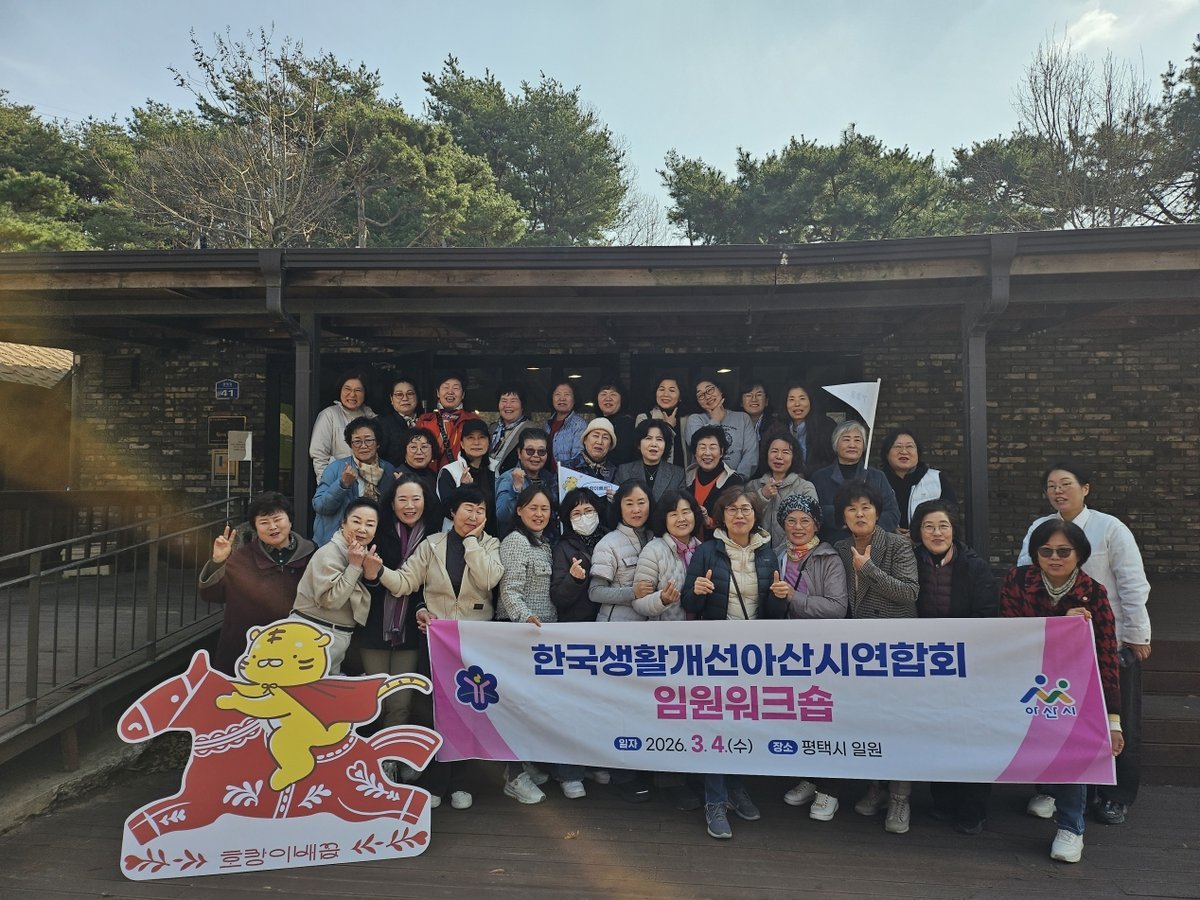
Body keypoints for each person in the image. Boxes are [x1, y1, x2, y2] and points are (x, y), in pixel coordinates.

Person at [1016, 461, 1150, 827]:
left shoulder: (1111, 527)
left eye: (1066, 483)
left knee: (1116, 720)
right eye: (1051, 485)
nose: (1058, 491)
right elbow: (1025, 577)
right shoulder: (1039, 528)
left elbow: (1133, 582)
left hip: (1108, 638)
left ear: (1085, 488)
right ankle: (1051, 788)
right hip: (1055, 644)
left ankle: (1114, 796)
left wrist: (1137, 633)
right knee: (1055, 716)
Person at [1001, 519, 1123, 863]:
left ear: (1080, 554)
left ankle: (1071, 827)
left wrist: (1113, 720)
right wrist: (1062, 623)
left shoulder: (1094, 593)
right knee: (1037, 743)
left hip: (1074, 689)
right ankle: (1048, 790)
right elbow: (1008, 633)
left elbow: (1107, 656)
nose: (1055, 557)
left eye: (1064, 551)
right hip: (1025, 680)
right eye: (1046, 551)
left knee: (1072, 746)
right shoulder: (1017, 581)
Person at [380, 485, 503, 810]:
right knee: (436, 711)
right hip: (437, 641)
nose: (473, 515)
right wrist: (377, 570)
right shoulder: (432, 544)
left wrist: (472, 541)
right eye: (467, 509)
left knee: (468, 712)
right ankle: (436, 781)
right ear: (452, 512)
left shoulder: (491, 544)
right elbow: (405, 582)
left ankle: (460, 782)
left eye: (480, 510)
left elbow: (489, 580)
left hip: (475, 642)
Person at [681, 488, 775, 839]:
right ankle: (716, 800)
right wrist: (698, 591)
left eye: (746, 509)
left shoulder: (767, 552)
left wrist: (781, 599)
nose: (740, 515)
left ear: (755, 515)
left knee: (743, 725)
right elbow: (689, 601)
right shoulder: (707, 550)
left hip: (754, 655)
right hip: (717, 652)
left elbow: (774, 613)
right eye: (732, 509)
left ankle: (736, 788)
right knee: (717, 727)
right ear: (721, 517)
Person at [834, 479, 919, 834]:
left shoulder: (898, 545)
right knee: (870, 721)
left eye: (866, 507)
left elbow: (910, 592)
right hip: (860, 652)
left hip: (896, 651)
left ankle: (900, 797)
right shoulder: (839, 548)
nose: (859, 514)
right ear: (843, 517)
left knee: (899, 723)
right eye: (851, 509)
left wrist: (868, 569)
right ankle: (876, 788)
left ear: (878, 513)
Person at [911, 498, 997, 834]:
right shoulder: (910, 562)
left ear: (954, 530)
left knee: (970, 734)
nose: (937, 533)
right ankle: (943, 800)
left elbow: (987, 613)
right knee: (937, 730)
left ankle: (973, 808)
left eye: (943, 526)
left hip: (966, 663)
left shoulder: (975, 566)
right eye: (929, 526)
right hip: (923, 664)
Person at [766, 493, 849, 821]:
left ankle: (830, 790)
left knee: (826, 718)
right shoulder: (776, 555)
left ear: (816, 524)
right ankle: (810, 778)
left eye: (805, 520)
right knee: (801, 717)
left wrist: (794, 598)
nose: (797, 527)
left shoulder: (828, 558)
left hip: (822, 651)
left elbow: (837, 607)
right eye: (790, 520)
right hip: (788, 652)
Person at [630, 487, 706, 812]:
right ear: (664, 519)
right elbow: (639, 601)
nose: (681, 518)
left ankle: (696, 775)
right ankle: (671, 782)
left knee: (696, 713)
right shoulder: (654, 550)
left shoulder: (704, 548)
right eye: (673, 513)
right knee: (668, 714)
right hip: (665, 645)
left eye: (686, 511)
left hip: (701, 647)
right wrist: (661, 599)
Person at [356, 475, 441, 757]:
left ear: (425, 502)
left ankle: (390, 758)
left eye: (416, 499)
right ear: (391, 504)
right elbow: (363, 581)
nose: (409, 506)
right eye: (402, 499)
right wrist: (371, 577)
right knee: (374, 698)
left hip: (410, 628)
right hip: (374, 626)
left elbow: (430, 584)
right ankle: (369, 758)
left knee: (401, 702)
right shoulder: (377, 533)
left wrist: (420, 607)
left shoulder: (435, 536)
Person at [498, 485, 567, 803]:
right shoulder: (515, 541)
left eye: (544, 509)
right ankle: (513, 776)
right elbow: (509, 590)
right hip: (518, 634)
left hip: (541, 636)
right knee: (513, 706)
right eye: (533, 508)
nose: (539, 514)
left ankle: (523, 760)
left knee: (530, 706)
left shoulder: (545, 544)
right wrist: (524, 618)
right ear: (519, 510)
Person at [199, 492, 316, 675]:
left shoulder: (312, 555)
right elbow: (212, 594)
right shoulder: (241, 558)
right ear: (255, 527)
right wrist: (218, 561)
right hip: (247, 651)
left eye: (277, 519)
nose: (272, 527)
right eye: (264, 522)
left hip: (296, 649)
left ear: (290, 521)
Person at [292, 498, 383, 674]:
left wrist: (371, 575)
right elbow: (331, 601)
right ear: (343, 523)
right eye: (356, 521)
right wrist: (354, 566)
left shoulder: (362, 554)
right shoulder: (329, 553)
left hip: (337, 634)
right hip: (312, 633)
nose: (362, 529)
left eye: (370, 524)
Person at [811, 420, 900, 543]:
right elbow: (813, 512)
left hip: (872, 543)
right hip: (832, 545)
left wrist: (865, 526)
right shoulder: (820, 477)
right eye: (846, 440)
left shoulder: (877, 477)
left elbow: (893, 514)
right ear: (836, 444)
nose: (852, 445)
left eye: (857, 440)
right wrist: (843, 518)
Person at [312, 417, 395, 546]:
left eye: (368, 440)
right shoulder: (335, 468)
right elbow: (321, 507)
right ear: (350, 444)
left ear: (378, 443)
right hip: (337, 543)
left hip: (374, 542)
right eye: (357, 441)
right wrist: (342, 485)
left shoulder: (388, 470)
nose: (363, 446)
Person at [880, 428, 957, 535]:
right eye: (898, 446)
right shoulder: (875, 480)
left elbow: (951, 515)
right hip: (885, 542)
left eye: (909, 446)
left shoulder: (936, 478)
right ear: (887, 453)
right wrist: (889, 529)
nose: (904, 451)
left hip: (927, 542)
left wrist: (918, 533)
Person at [748, 432, 817, 548]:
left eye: (785, 452)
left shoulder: (805, 487)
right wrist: (763, 495)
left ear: (794, 457)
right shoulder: (752, 486)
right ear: (766, 454)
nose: (779, 456)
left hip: (793, 551)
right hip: (757, 550)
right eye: (774, 451)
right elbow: (745, 518)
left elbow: (811, 524)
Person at [551, 487, 608, 623]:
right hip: (579, 624)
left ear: (597, 511)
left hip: (611, 619)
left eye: (588, 511)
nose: (584, 517)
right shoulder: (562, 548)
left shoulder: (611, 539)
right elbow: (558, 598)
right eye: (576, 513)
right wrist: (574, 580)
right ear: (568, 519)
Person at [683, 379, 758, 478]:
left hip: (737, 482)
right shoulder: (695, 420)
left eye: (710, 390)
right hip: (705, 480)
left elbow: (750, 453)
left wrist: (738, 478)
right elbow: (697, 447)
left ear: (720, 390)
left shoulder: (742, 418)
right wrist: (715, 420)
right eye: (701, 395)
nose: (707, 396)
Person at [437, 418, 497, 534]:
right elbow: (447, 510)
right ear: (462, 444)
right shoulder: (450, 471)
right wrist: (463, 489)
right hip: (458, 537)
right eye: (470, 438)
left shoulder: (495, 470)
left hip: (489, 538)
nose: (476, 442)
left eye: (481, 437)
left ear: (488, 442)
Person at [309, 371, 373, 478]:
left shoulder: (372, 418)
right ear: (340, 390)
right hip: (338, 482)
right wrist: (327, 484)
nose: (352, 394)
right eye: (347, 389)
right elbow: (319, 455)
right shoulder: (329, 415)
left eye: (358, 390)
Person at [495, 428, 558, 534]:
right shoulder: (508, 479)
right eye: (530, 451)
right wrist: (516, 489)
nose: (536, 455)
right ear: (519, 453)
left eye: (541, 452)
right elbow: (502, 516)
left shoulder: (550, 478)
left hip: (545, 538)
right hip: (517, 538)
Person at [414, 373, 481, 472]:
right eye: (446, 387)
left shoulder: (473, 420)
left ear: (463, 395)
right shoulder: (425, 420)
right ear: (438, 393)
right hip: (429, 476)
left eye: (456, 388)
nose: (450, 392)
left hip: (463, 476)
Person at [685, 425, 744, 535]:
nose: (707, 453)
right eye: (702, 447)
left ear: (721, 452)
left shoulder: (733, 481)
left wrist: (710, 522)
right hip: (688, 542)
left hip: (718, 542)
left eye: (712, 447)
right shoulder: (687, 477)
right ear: (695, 452)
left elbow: (736, 519)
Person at [614, 419, 686, 502]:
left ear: (666, 445)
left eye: (659, 439)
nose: (654, 444)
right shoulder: (624, 471)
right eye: (648, 438)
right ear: (638, 444)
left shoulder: (678, 474)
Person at [781, 383, 834, 475]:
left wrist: (805, 473)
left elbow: (832, 462)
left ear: (810, 401)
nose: (797, 404)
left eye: (802, 398)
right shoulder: (778, 427)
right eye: (791, 399)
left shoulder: (826, 426)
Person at [636, 376, 687, 466]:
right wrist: (668, 427)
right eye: (661, 389)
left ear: (680, 397)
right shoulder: (644, 418)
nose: (666, 394)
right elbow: (643, 452)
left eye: (672, 390)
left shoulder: (687, 420)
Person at [378, 376, 423, 468]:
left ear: (417, 397)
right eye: (399, 394)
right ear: (391, 399)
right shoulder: (381, 424)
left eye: (410, 393)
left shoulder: (427, 420)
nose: (405, 398)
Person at [489, 383, 531, 474]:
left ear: (522, 405)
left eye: (513, 401)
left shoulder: (530, 430)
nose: (508, 405)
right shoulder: (492, 428)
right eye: (504, 400)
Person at [545, 381, 587, 469]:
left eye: (567, 394)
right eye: (557, 394)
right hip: (546, 476)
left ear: (574, 399)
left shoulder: (579, 425)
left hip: (568, 476)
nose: (562, 398)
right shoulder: (547, 424)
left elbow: (578, 458)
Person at [595, 381, 637, 467]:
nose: (608, 398)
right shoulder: (596, 423)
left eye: (613, 394)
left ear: (622, 399)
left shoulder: (627, 424)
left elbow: (624, 457)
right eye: (603, 394)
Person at [566, 417, 619, 485]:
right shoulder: (567, 468)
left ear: (610, 445)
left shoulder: (616, 473)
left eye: (605, 438)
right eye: (595, 436)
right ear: (585, 440)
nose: (600, 442)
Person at [396, 427, 439, 496]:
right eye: (413, 447)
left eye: (424, 447)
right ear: (404, 451)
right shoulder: (397, 477)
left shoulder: (435, 477)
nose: (419, 452)